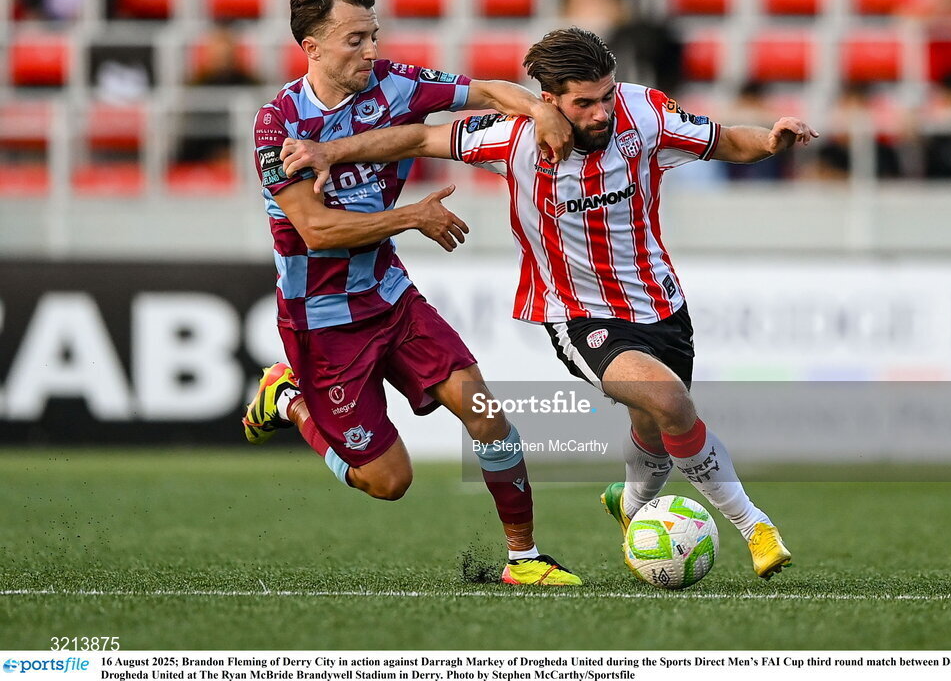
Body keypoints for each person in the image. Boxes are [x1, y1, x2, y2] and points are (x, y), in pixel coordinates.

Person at [280, 28, 818, 580]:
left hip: (660, 304)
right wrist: (329, 150)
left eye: (606, 96)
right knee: (669, 400)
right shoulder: (509, 138)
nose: (601, 112)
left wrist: (771, 140)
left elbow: (725, 139)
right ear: (549, 100)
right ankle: (756, 527)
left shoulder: (645, 111)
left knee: (654, 426)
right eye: (584, 103)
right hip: (578, 313)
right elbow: (418, 139)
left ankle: (629, 508)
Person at [242, 0, 580, 587]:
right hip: (322, 324)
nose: (371, 50)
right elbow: (315, 229)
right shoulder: (278, 124)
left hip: (393, 299)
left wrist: (540, 110)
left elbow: (486, 90)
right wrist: (412, 216)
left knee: (486, 414)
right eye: (355, 39)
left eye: (374, 35)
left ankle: (524, 560)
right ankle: (287, 398)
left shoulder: (396, 84)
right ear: (313, 47)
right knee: (389, 482)